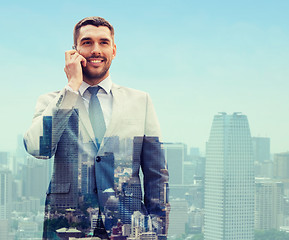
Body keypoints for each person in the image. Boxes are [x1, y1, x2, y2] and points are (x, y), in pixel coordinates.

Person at [24, 16, 169, 239]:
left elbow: (156, 175)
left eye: (103, 42)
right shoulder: (52, 102)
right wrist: (72, 87)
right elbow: (38, 149)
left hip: (129, 229)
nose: (96, 50)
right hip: (68, 227)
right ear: (74, 51)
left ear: (114, 50)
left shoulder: (141, 101)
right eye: (87, 42)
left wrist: (158, 232)